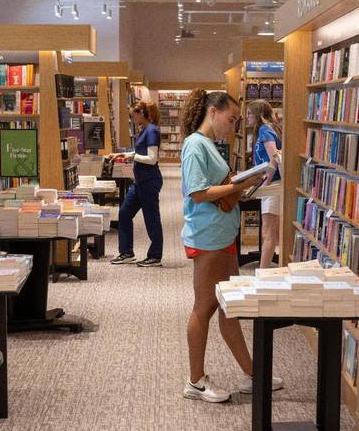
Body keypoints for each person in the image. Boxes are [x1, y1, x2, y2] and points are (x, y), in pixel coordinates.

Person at [180, 89, 282, 402]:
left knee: (229, 305)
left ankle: (252, 373)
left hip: (222, 235)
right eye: (231, 118)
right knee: (205, 307)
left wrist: (243, 185)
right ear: (213, 111)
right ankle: (195, 380)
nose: (233, 126)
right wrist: (241, 183)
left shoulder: (209, 145)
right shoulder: (195, 145)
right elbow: (197, 193)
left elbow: (219, 188)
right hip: (208, 236)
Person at [110, 101, 164, 267]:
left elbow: (152, 159)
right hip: (139, 181)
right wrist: (124, 154)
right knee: (125, 213)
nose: (131, 117)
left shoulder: (152, 131)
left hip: (149, 181)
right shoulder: (144, 130)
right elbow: (141, 152)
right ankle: (126, 252)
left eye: (133, 113)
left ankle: (155, 256)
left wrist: (133, 157)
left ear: (141, 113)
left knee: (151, 218)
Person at [246, 100, 283, 269]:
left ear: (258, 115)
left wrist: (265, 183)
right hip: (273, 182)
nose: (247, 117)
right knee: (274, 231)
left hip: (271, 184)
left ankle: (263, 272)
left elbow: (274, 157)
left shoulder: (264, 131)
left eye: (249, 113)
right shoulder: (271, 129)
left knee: (268, 232)